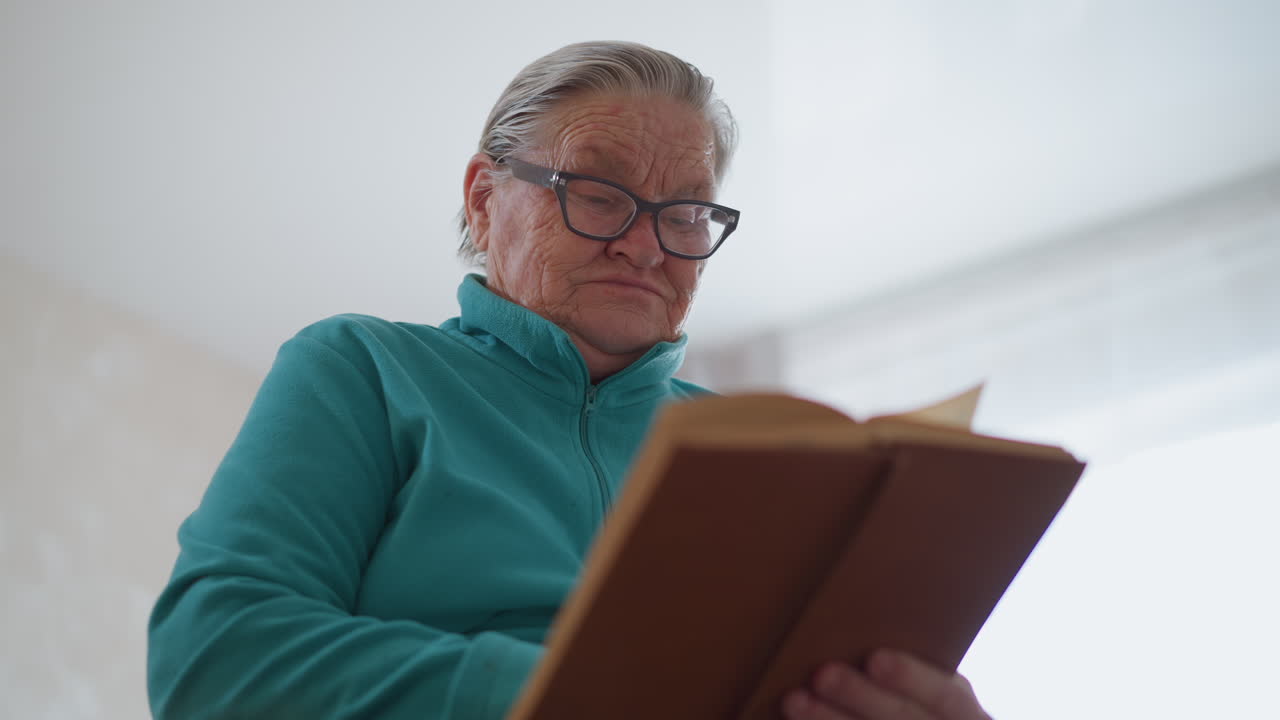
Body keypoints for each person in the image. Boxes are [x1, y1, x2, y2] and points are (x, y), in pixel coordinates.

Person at [147, 41, 991, 720]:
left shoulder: (763, 448)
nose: (646, 244)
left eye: (687, 211)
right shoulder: (363, 368)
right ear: (484, 200)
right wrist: (569, 693)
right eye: (597, 190)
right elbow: (216, 657)